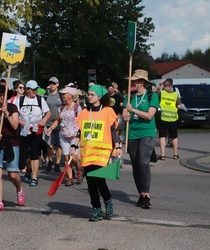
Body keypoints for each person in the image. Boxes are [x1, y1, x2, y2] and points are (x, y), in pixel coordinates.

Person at [76, 84, 122, 221]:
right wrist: (74, 145)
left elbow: (113, 130)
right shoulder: (84, 112)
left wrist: (118, 146)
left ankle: (108, 201)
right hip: (87, 150)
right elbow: (80, 131)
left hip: (102, 151)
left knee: (99, 179)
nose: (89, 97)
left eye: (92, 95)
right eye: (88, 94)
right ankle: (96, 208)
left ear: (99, 97)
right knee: (90, 182)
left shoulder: (108, 111)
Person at [122, 69, 159, 209]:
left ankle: (146, 195)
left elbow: (150, 116)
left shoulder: (152, 96)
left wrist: (134, 111)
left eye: (135, 81)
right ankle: (141, 193)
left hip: (147, 132)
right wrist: (125, 117)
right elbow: (125, 115)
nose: (132, 83)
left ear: (141, 82)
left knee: (143, 162)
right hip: (132, 133)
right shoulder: (129, 96)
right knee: (136, 164)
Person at [0, 85, 25, 211]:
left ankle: (19, 189)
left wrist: (6, 113)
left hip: (11, 143)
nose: (2, 97)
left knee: (12, 174)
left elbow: (14, 126)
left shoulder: (13, 108)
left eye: (4, 95)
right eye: (0, 95)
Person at [16, 80, 51, 186]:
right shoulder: (21, 100)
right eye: (32, 90)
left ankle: (34, 177)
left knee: (35, 154)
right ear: (27, 90)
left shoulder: (40, 100)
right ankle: (28, 169)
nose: (35, 91)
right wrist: (23, 124)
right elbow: (15, 116)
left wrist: (43, 121)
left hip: (37, 130)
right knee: (25, 155)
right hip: (24, 131)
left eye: (36, 89)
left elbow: (48, 113)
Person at [46, 86, 82, 186]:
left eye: (64, 94)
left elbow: (81, 122)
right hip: (63, 135)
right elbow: (58, 120)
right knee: (66, 158)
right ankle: (70, 177)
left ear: (70, 95)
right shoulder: (61, 108)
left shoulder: (77, 108)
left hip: (74, 136)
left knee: (73, 157)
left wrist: (80, 134)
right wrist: (51, 128)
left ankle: (78, 171)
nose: (62, 96)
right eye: (62, 94)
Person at [155, 78, 181, 160]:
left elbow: (153, 92)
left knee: (162, 136)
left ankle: (163, 155)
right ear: (171, 86)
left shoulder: (161, 93)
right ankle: (175, 154)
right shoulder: (175, 94)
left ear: (163, 85)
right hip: (173, 118)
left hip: (163, 118)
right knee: (174, 136)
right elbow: (179, 106)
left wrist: (158, 86)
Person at [44, 76, 63, 172]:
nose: (52, 85)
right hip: (48, 123)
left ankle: (57, 163)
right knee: (49, 144)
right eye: (50, 83)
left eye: (54, 83)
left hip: (59, 123)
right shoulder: (46, 95)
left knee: (59, 145)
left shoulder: (61, 96)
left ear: (57, 84)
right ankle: (50, 160)